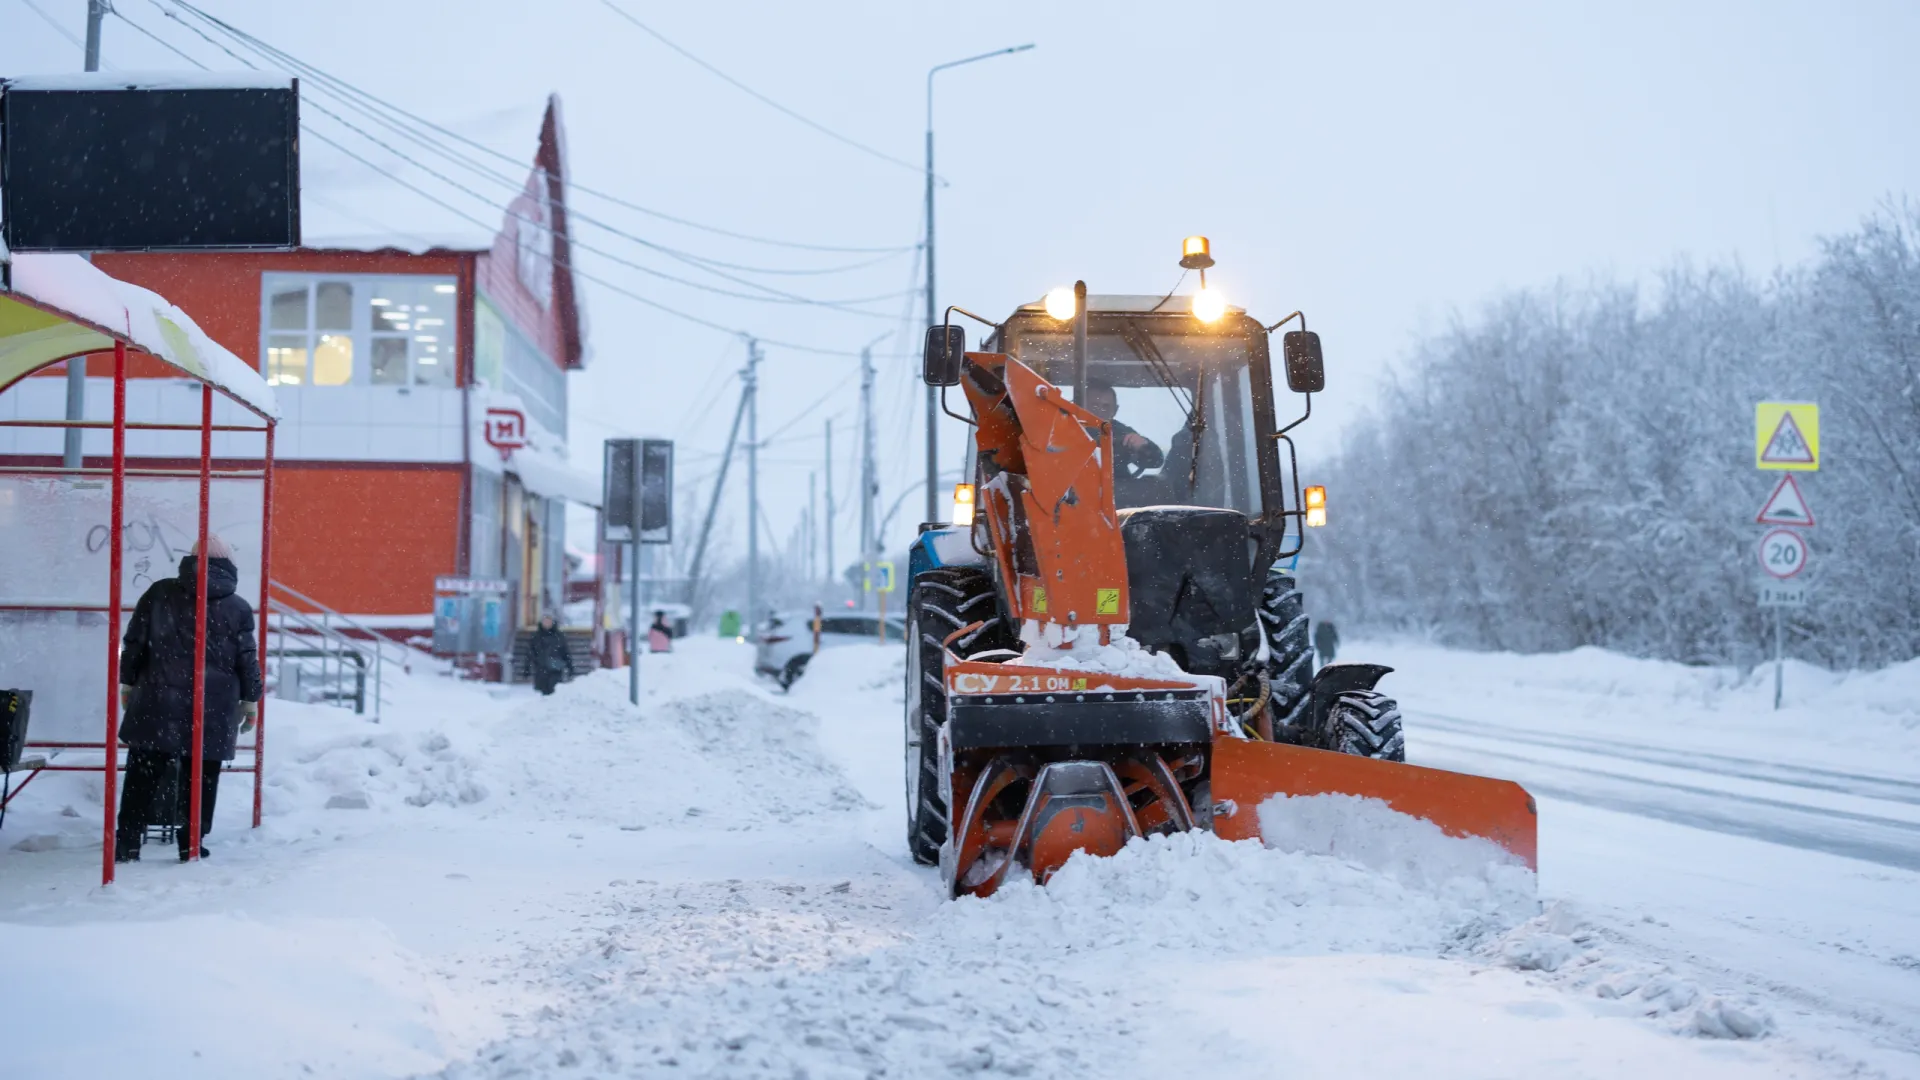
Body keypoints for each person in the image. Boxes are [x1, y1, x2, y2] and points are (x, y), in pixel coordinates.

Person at [116, 534, 262, 863]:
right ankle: (191, 842)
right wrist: (250, 701)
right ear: (228, 564)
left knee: (143, 770)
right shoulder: (237, 607)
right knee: (202, 775)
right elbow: (247, 658)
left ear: (191, 560)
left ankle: (127, 841)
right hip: (213, 705)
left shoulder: (159, 593)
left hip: (156, 698)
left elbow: (135, 641)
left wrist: (128, 683)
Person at [1083, 383, 1165, 479]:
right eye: (1094, 405)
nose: (1100, 411)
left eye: (1106, 406)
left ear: (1115, 410)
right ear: (1081, 406)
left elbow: (1156, 460)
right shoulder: (1066, 430)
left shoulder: (1121, 432)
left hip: (1118, 488)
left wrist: (1142, 446)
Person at [528, 613, 574, 695]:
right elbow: (530, 652)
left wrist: (570, 667)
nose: (547, 623)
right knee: (544, 692)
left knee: (555, 691)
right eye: (545, 621)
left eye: (549, 621)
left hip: (555, 669)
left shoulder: (559, 636)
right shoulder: (536, 636)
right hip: (541, 669)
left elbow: (565, 652)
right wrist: (527, 668)